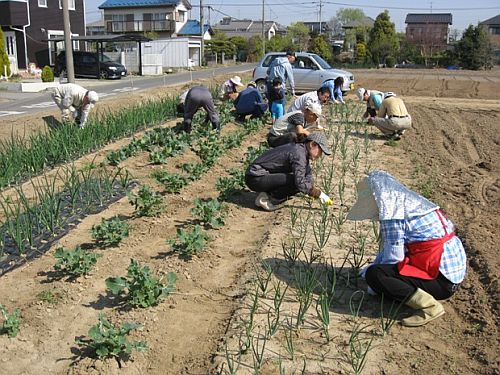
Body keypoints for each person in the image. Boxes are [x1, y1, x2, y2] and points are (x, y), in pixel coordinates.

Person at [347, 170, 467, 327]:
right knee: (379, 272)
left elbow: (393, 256)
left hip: (441, 281)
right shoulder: (415, 204)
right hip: (452, 276)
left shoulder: (393, 214)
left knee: (376, 275)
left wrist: (374, 281)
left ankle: (429, 306)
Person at [245, 132, 334, 211]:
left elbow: (307, 173)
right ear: (312, 144)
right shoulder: (299, 154)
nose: (320, 155)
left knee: (299, 182)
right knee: (296, 182)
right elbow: (300, 182)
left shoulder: (301, 150)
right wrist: (318, 194)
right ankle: (266, 198)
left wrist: (311, 189)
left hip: (259, 176)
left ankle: (267, 195)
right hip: (255, 177)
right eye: (320, 151)